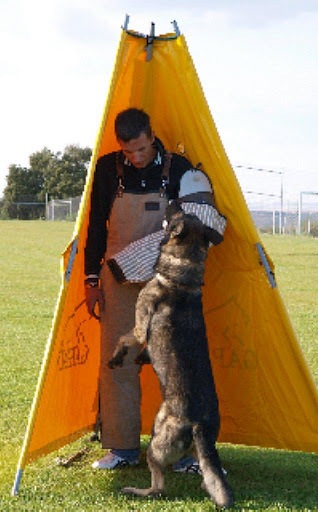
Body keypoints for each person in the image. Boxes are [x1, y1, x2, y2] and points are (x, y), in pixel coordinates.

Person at [84, 108, 194, 469]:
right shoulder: (105, 169)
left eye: (141, 149)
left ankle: (177, 454)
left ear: (151, 136)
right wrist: (90, 280)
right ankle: (122, 448)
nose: (135, 157)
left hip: (166, 281)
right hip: (116, 282)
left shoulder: (179, 169)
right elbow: (96, 228)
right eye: (128, 151)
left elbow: (197, 225)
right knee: (119, 363)